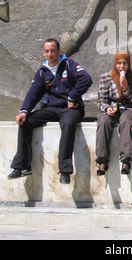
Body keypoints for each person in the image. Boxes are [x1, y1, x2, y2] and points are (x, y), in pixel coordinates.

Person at [8, 38, 92, 184]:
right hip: (51, 108)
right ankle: (22, 166)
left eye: (53, 50)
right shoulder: (42, 72)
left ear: (59, 52)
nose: (50, 53)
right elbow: (33, 93)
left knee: (67, 124)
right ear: (43, 53)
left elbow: (86, 79)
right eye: (47, 51)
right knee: (25, 122)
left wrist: (72, 97)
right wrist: (24, 111)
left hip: (70, 109)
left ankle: (65, 171)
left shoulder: (69, 64)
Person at [96, 51, 132, 176]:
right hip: (112, 108)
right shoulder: (106, 77)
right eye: (119, 63)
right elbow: (101, 100)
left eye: (124, 63)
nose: (122, 66)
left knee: (126, 121)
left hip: (128, 108)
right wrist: (106, 108)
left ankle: (126, 161)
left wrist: (126, 88)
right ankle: (102, 160)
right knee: (104, 121)